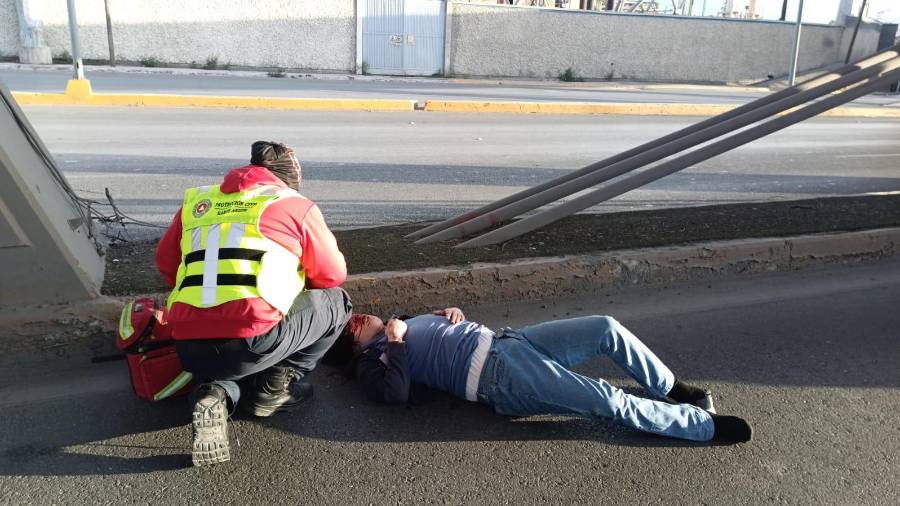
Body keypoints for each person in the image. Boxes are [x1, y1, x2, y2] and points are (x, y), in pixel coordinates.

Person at [156, 141, 352, 466]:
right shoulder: (293, 204)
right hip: (253, 340)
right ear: (288, 179)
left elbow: (166, 263)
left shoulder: (198, 201)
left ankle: (214, 393)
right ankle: (275, 389)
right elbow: (332, 275)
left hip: (188, 343)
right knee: (336, 302)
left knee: (221, 355)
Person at [323, 308, 753, 444]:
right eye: (351, 325)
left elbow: (442, 333)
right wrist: (396, 342)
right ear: (353, 346)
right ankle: (703, 427)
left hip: (513, 341)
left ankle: (671, 388)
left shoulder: (399, 318)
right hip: (499, 378)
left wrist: (446, 313)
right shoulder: (370, 363)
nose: (357, 316)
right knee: (605, 399)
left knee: (604, 326)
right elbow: (395, 394)